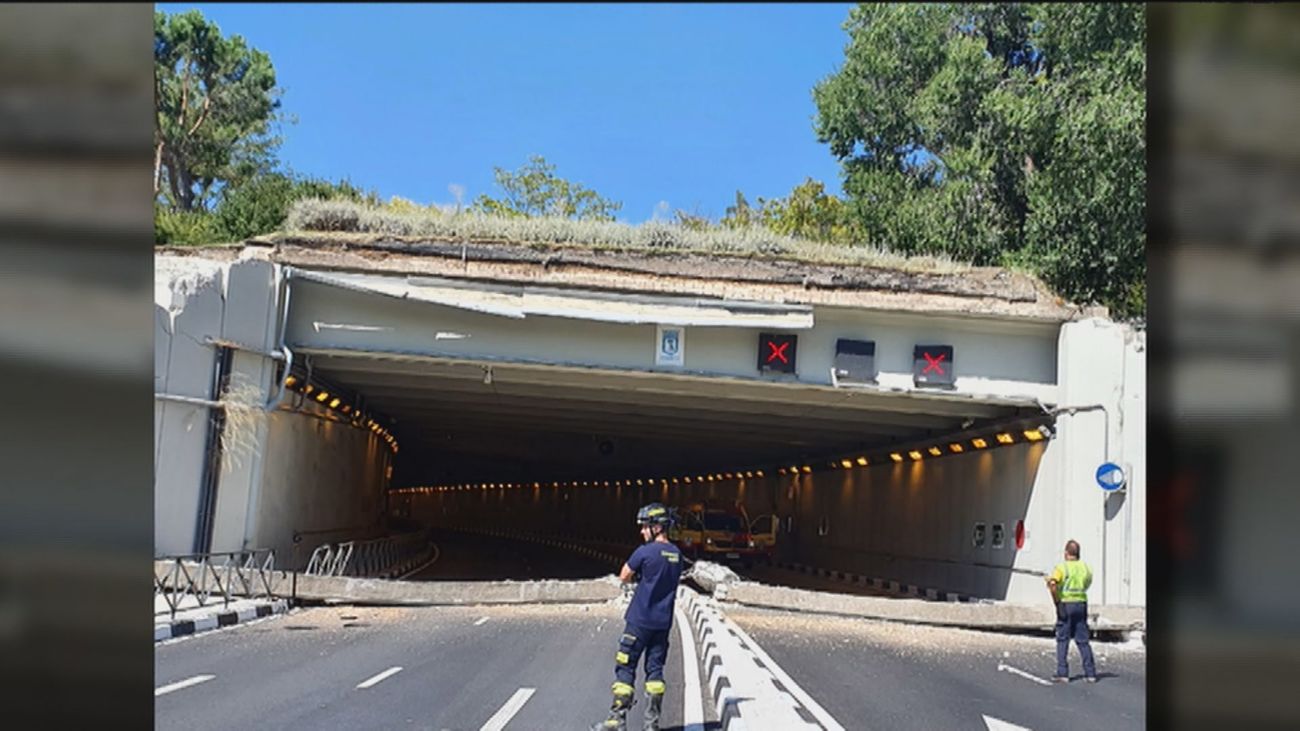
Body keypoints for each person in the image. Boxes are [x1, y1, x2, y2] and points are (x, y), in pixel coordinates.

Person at [591, 503, 684, 731]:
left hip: (640, 621)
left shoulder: (644, 552)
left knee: (626, 665)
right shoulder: (677, 555)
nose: (642, 532)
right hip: (662, 625)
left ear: (657, 527)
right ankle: (651, 725)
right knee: (655, 672)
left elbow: (624, 575)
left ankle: (617, 721)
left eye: (645, 527)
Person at [1046, 539, 1098, 683]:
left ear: (1066, 553)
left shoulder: (1061, 568)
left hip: (1066, 605)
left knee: (1063, 639)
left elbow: (1053, 584)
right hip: (1081, 604)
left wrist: (1057, 602)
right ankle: (1090, 673)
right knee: (1083, 640)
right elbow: (1087, 583)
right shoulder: (1086, 568)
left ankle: (1062, 673)